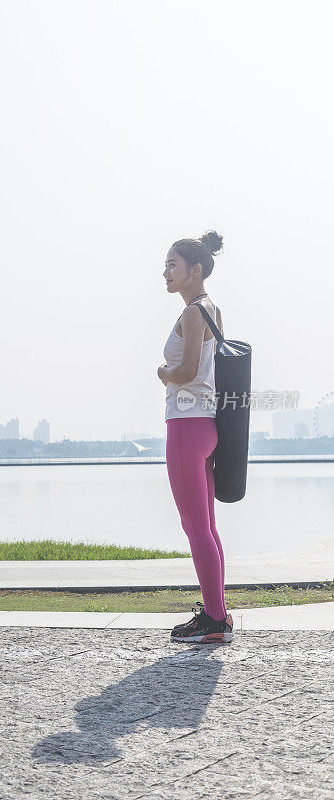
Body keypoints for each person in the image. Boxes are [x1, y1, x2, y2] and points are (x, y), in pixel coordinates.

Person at [157, 230, 234, 644]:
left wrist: (162, 374)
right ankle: (216, 611)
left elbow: (186, 373)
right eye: (165, 264)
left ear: (196, 270)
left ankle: (215, 620)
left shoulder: (191, 313)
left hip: (186, 427)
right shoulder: (212, 310)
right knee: (207, 526)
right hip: (207, 426)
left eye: (173, 264)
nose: (165, 272)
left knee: (195, 526)